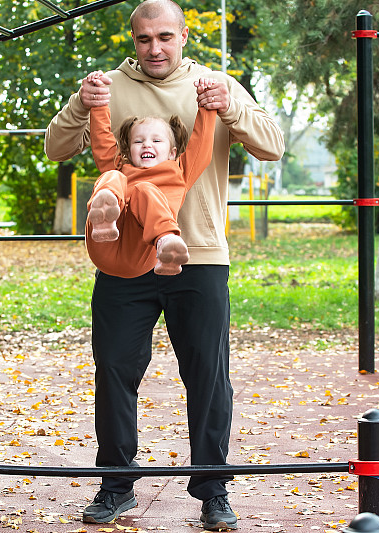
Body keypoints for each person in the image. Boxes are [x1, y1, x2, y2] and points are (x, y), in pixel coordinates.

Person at [44, 0, 284, 529]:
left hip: (198, 258)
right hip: (126, 260)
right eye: (144, 39)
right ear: (133, 40)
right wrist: (81, 108)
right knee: (114, 371)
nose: (155, 48)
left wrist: (233, 108)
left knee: (207, 378)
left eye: (165, 37)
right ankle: (115, 486)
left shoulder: (214, 84)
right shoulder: (106, 85)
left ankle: (214, 491)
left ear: (183, 35)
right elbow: (57, 148)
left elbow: (272, 147)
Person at [84, 72, 218, 277]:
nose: (147, 144)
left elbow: (202, 144)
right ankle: (104, 215)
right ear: (129, 151)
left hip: (144, 250)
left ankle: (166, 241)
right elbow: (102, 140)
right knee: (111, 177)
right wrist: (98, 103)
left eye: (157, 141)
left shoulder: (180, 171)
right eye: (138, 141)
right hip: (104, 244)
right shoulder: (121, 167)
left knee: (144, 190)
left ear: (173, 152)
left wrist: (207, 104)